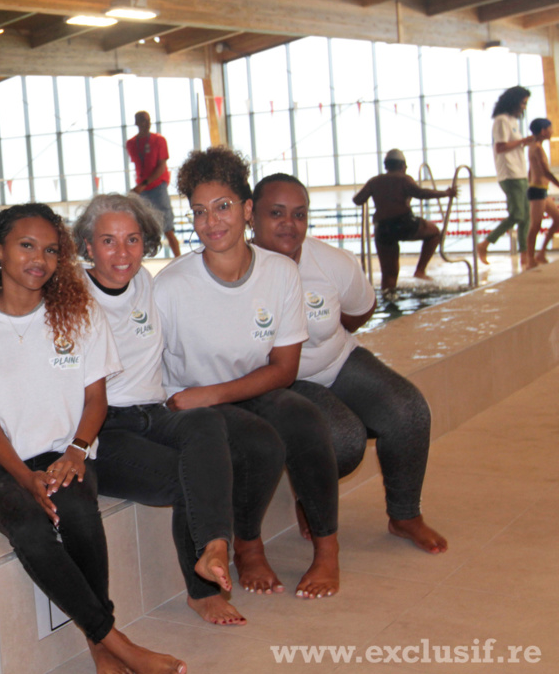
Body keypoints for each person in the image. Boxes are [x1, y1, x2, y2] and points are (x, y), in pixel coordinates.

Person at [0, 203, 187, 674]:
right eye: (26, 245)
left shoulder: (78, 314)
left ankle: (98, 641)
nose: (40, 259)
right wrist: (25, 478)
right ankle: (115, 643)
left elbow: (96, 398)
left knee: (76, 509)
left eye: (51, 250)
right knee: (29, 525)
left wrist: (75, 451)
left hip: (62, 451)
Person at [73, 192, 286, 624]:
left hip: (152, 413)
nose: (121, 252)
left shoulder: (148, 283)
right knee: (191, 477)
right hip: (100, 429)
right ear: (88, 246)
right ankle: (202, 589)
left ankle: (214, 547)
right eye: (108, 241)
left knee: (206, 423)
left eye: (132, 240)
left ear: (146, 243)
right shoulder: (65, 292)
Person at [154, 146, 341, 599]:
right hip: (187, 402)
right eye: (199, 212)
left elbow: (284, 369)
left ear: (247, 210)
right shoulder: (171, 287)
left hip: (235, 389)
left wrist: (214, 395)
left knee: (305, 419)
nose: (211, 222)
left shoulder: (279, 273)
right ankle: (248, 545)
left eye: (223, 207)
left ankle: (328, 552)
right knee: (261, 445)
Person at [251, 173, 448, 554]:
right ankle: (310, 498)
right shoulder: (238, 270)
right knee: (343, 440)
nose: (289, 224)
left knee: (408, 411)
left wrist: (326, 336)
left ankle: (405, 515)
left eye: (299, 214)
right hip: (281, 383)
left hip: (337, 361)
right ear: (250, 215)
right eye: (276, 213)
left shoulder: (332, 263)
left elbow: (360, 311)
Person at [352, 149, 456, 291]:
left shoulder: (374, 181)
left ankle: (389, 301)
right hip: (404, 224)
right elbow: (420, 193)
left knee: (389, 274)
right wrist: (445, 193)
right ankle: (420, 270)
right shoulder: (404, 178)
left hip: (382, 229)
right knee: (435, 232)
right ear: (402, 166)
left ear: (386, 166)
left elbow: (357, 200)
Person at [476, 86, 536, 267]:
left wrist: (522, 143)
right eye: (523, 103)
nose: (524, 107)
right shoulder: (501, 120)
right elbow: (500, 147)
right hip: (509, 173)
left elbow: (513, 145)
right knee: (517, 214)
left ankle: (525, 255)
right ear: (514, 101)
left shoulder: (512, 121)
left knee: (526, 216)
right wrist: (524, 141)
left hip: (519, 172)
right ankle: (485, 243)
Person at [126, 110, 181, 257]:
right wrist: (140, 187)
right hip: (142, 190)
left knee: (168, 227)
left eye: (148, 120)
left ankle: (178, 258)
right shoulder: (131, 144)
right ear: (137, 123)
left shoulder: (159, 140)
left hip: (157, 188)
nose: (147, 124)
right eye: (143, 121)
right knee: (141, 227)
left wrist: (144, 183)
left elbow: (161, 166)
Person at [525, 118, 559, 268]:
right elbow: (545, 171)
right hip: (537, 190)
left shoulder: (534, 146)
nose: (552, 131)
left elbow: (530, 170)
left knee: (558, 219)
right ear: (543, 131)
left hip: (539, 189)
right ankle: (530, 259)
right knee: (535, 225)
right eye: (550, 129)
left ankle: (541, 253)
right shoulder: (537, 148)